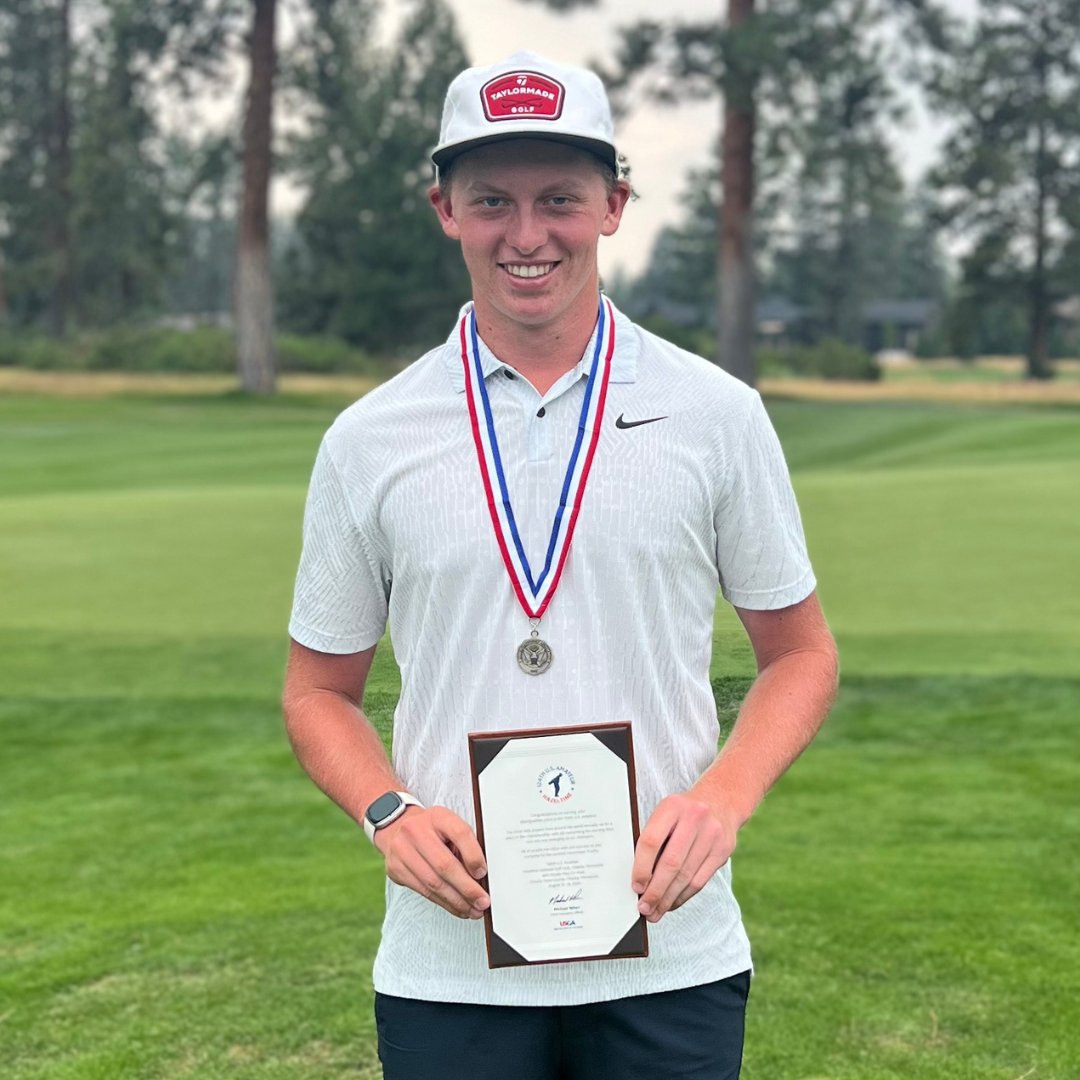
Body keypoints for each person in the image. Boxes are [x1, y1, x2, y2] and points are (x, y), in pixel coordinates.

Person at [282, 51, 839, 1080]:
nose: (526, 234)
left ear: (614, 204)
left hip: (671, 955)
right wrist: (387, 810)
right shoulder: (369, 438)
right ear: (444, 207)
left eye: (560, 200)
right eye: (491, 200)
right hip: (450, 964)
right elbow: (319, 692)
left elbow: (800, 654)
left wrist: (724, 796)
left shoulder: (717, 415)